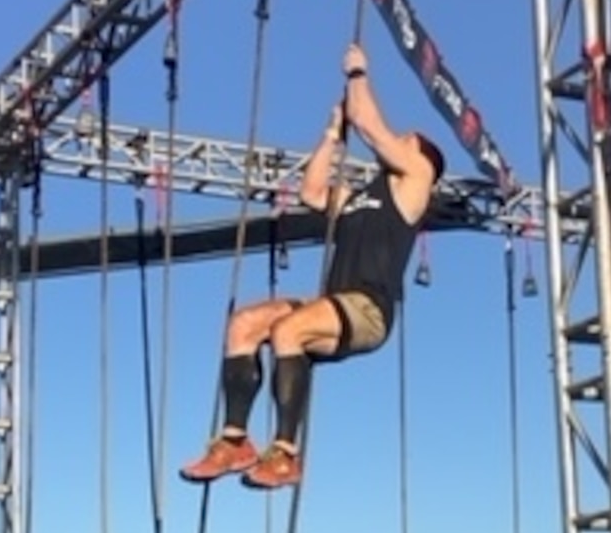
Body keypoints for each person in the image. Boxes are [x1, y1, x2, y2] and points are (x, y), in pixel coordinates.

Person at [180, 41, 444, 491]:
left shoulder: (414, 185)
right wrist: (330, 137)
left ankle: (285, 453)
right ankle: (235, 440)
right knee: (245, 324)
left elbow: (373, 127)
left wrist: (358, 73)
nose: (402, 137)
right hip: (334, 303)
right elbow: (313, 193)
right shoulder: (361, 198)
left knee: (288, 331)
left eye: (409, 140)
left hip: (368, 309)